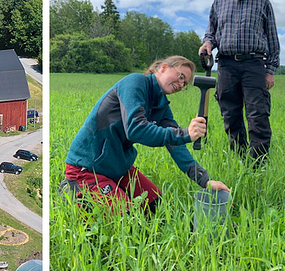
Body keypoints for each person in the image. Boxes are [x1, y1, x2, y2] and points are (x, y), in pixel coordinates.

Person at [60, 56, 230, 214]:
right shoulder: (135, 82)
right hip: (88, 168)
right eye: (180, 76)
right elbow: (136, 128)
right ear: (163, 67)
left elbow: (176, 145)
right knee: (127, 220)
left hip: (118, 168)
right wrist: (186, 133)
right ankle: (73, 190)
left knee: (157, 206)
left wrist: (204, 180)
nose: (181, 84)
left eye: (185, 83)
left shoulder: (161, 105)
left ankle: (107, 191)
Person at [199, 0, 280, 168]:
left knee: (257, 114)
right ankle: (240, 158)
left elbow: (272, 39)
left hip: (254, 65)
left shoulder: (263, 2)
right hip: (226, 65)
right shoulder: (218, 3)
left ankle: (259, 164)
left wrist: (269, 70)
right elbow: (212, 33)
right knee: (231, 114)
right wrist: (207, 44)